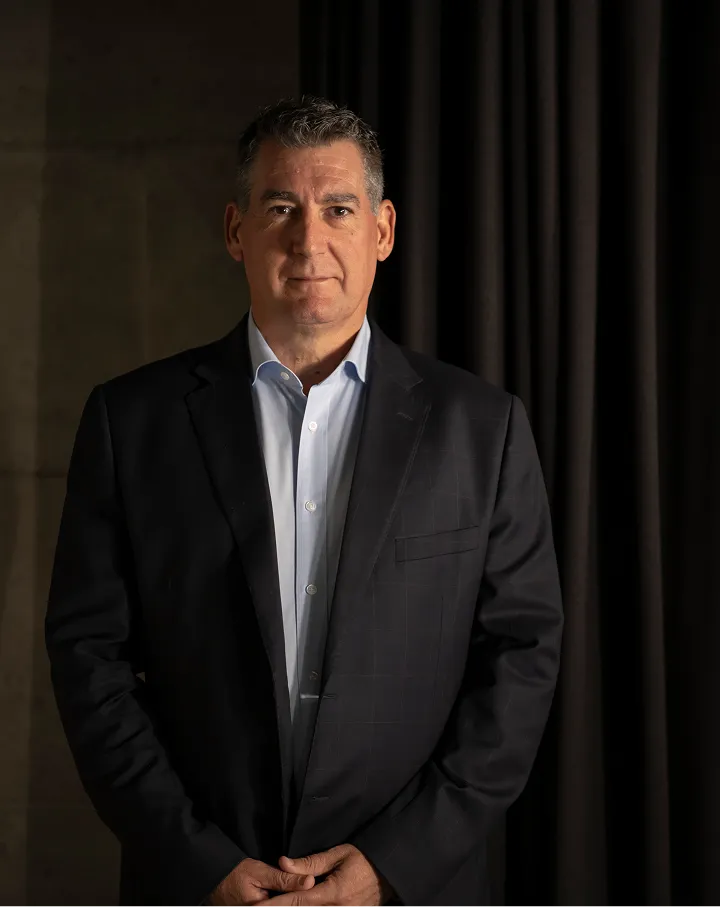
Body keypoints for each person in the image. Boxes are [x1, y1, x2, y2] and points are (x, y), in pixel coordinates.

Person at [45, 96, 564, 907]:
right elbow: (89, 660)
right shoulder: (129, 422)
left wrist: (391, 863)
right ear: (235, 231)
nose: (307, 239)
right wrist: (195, 856)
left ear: (382, 231)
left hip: (410, 889)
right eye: (281, 207)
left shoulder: (483, 429)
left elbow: (522, 662)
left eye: (338, 209)